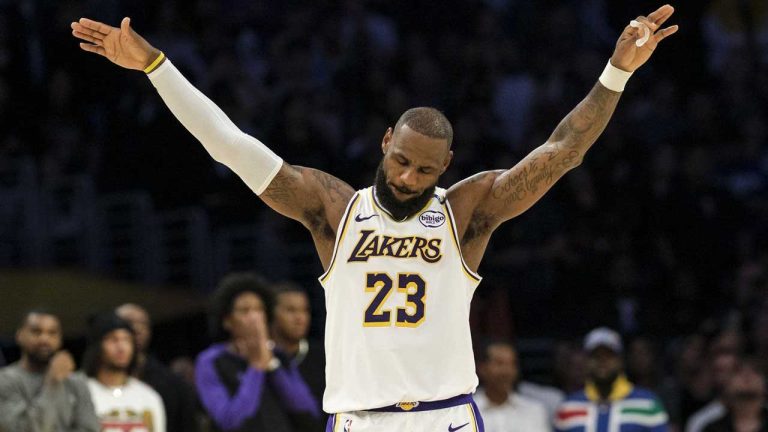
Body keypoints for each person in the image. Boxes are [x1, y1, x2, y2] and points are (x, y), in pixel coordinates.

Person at [71, 6, 678, 430]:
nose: (409, 178)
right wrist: (156, 66)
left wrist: (617, 71)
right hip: (361, 419)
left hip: (448, 416)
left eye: (425, 171)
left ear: (447, 166)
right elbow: (229, 144)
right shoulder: (334, 209)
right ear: (386, 142)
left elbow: (562, 151)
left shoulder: (467, 215)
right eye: (401, 161)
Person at [194, 272, 320, 431]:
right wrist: (255, 368)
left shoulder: (278, 356)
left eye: (259, 309)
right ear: (227, 320)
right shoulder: (211, 361)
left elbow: (308, 413)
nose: (254, 317)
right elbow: (230, 421)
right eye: (245, 310)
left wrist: (272, 366)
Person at [0, 309, 100, 432]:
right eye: (36, 332)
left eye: (52, 333)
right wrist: (52, 382)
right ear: (19, 336)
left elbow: (91, 429)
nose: (44, 339)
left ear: (60, 339)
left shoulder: (76, 381)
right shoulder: (6, 380)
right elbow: (25, 429)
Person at [555, 328, 669, 432]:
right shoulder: (568, 407)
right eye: (596, 356)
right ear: (587, 361)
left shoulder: (648, 403)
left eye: (609, 355)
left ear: (620, 360)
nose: (602, 362)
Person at [115, 303, 201, 432]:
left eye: (143, 324)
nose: (137, 328)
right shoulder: (90, 384)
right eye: (128, 322)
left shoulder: (174, 385)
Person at [82, 312, 167, 432]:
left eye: (127, 340)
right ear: (97, 346)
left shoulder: (148, 396)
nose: (121, 347)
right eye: (113, 340)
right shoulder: (81, 393)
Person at [269, 281, 326, 412]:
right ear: (271, 313)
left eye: (304, 310)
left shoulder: (324, 357)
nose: (300, 318)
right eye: (291, 310)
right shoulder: (259, 359)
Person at [475, 340, 550, 432]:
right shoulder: (466, 411)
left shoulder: (534, 411)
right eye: (499, 363)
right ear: (482, 368)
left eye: (512, 364)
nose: (507, 371)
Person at [702, 357, 768, 432]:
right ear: (727, 385)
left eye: (755, 371)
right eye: (739, 372)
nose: (747, 376)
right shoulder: (712, 429)